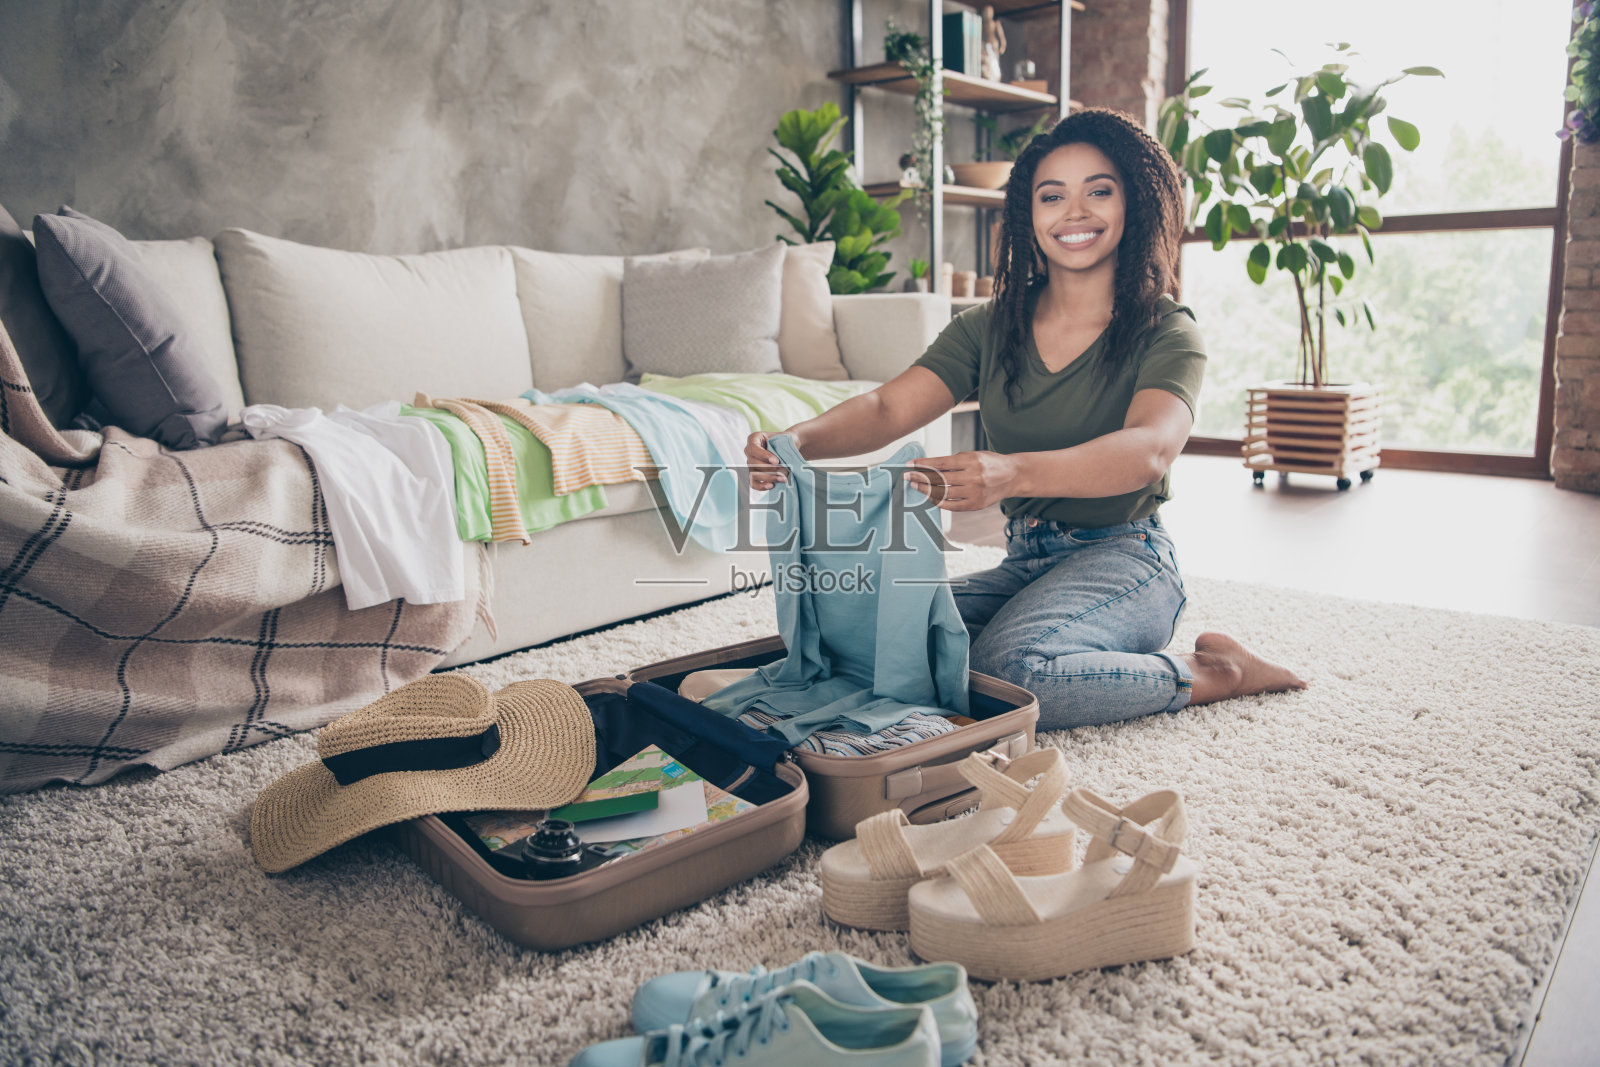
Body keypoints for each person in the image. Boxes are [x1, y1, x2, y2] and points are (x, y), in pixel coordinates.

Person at [744, 107, 1307, 731]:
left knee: (1012, 672)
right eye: (1051, 195)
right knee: (873, 633)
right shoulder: (991, 327)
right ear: (1027, 215)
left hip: (1127, 559)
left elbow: (1149, 448)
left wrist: (1010, 473)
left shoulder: (1168, 331)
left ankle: (1211, 672)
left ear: (1135, 204)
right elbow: (888, 406)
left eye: (1099, 190)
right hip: (1027, 557)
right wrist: (795, 440)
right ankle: (1085, 651)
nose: (1075, 212)